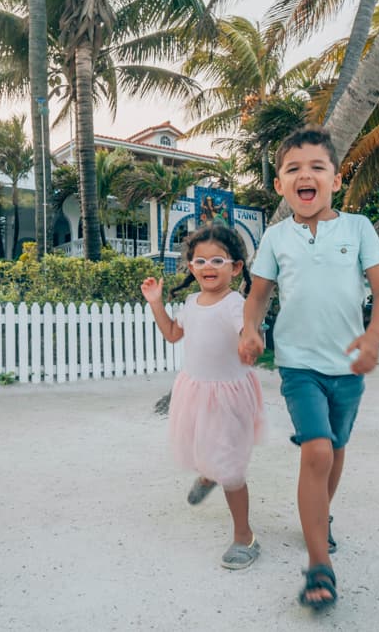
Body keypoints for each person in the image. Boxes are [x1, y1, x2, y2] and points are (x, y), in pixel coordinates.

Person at [238, 126, 379, 611]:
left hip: (348, 366)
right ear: (281, 185)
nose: (305, 175)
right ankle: (318, 565)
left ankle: (319, 517)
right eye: (292, 169)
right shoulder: (275, 236)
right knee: (317, 451)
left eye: (316, 167)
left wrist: (372, 338)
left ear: (336, 178)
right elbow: (258, 295)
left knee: (337, 449)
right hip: (298, 365)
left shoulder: (358, 228)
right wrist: (250, 329)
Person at [140, 223, 266, 570]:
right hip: (195, 391)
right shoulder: (192, 302)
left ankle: (245, 537)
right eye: (200, 261)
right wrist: (156, 303)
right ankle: (209, 473)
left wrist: (252, 343)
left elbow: (250, 333)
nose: (208, 267)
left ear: (236, 267)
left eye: (218, 260)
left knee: (231, 470)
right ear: (191, 267)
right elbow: (171, 334)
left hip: (229, 397)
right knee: (203, 446)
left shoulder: (234, 303)